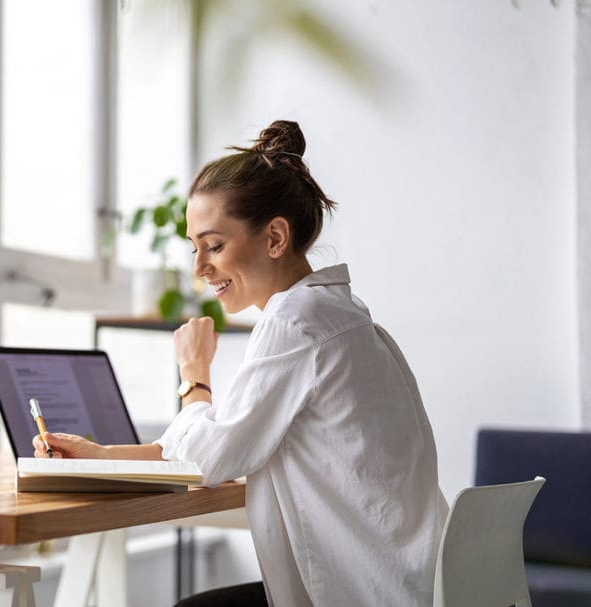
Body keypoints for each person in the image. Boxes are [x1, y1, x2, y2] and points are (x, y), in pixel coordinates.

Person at [32, 120, 448, 606]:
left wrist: (194, 376)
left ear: (274, 238)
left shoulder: (295, 324)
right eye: (194, 248)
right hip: (404, 583)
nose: (199, 268)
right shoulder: (340, 315)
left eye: (214, 245)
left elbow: (208, 458)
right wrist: (101, 456)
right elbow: (220, 442)